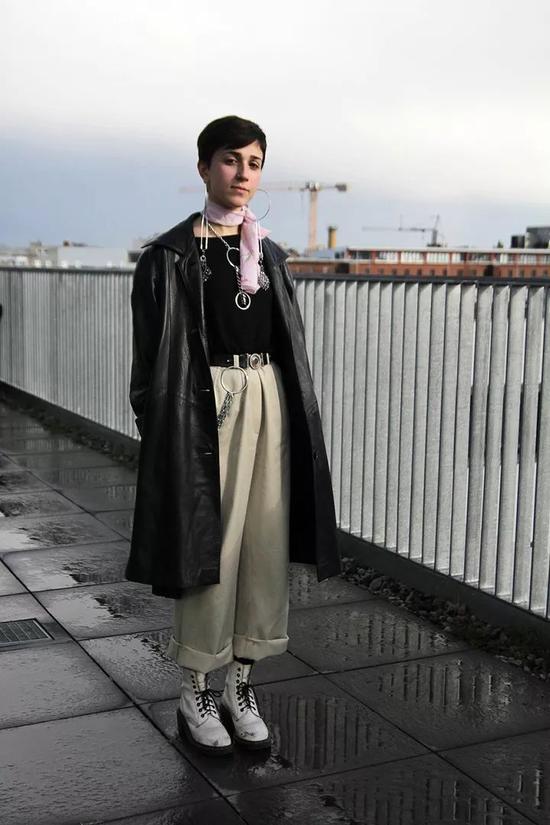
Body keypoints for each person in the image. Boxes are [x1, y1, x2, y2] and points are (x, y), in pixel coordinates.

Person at [126, 115, 342, 757]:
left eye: (254, 162)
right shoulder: (169, 256)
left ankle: (241, 681)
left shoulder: (269, 252)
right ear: (204, 167)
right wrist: (160, 434)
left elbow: (285, 342)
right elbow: (148, 366)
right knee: (208, 547)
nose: (243, 174)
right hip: (204, 404)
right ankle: (195, 685)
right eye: (230, 160)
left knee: (264, 541)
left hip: (268, 396)